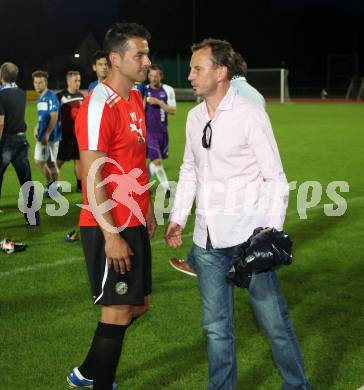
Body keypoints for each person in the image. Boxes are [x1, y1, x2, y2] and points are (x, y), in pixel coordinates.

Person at [165, 38, 311, 390]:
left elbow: (275, 178)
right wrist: (178, 217)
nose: (190, 75)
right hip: (206, 242)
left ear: (221, 72)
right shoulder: (195, 116)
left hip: (248, 240)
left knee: (274, 324)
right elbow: (189, 170)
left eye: (197, 68)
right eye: (191, 69)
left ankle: (297, 386)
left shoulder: (249, 114)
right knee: (216, 329)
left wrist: (269, 233)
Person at [68, 22, 156, 390]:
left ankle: (86, 372)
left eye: (147, 53)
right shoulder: (98, 103)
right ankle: (100, 383)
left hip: (133, 219)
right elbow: (92, 175)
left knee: (138, 306)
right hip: (110, 225)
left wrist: (147, 206)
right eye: (141, 54)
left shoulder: (135, 98)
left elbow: (137, 159)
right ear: (116, 59)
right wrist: (112, 235)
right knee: (118, 311)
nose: (147, 61)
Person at [0, 62, 39, 225]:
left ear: (1, 77)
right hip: (21, 140)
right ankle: (32, 219)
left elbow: (1, 122)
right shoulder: (21, 93)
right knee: (26, 181)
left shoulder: (1, 95)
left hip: (7, 141)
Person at [145, 64, 176, 196]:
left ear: (161, 76)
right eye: (151, 76)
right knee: (157, 161)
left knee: (155, 162)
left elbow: (173, 111)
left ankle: (143, 185)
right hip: (149, 132)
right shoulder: (144, 90)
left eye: (156, 76)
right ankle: (166, 188)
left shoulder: (168, 90)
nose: (153, 79)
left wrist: (159, 102)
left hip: (163, 132)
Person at [32, 70, 61, 197]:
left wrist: (47, 133)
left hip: (51, 137)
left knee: (49, 162)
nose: (38, 85)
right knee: (40, 161)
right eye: (36, 82)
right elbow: (42, 116)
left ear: (46, 83)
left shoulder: (51, 97)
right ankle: (52, 184)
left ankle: (54, 186)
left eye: (41, 82)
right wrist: (37, 127)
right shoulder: (40, 98)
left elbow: (54, 116)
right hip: (42, 135)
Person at [56, 71, 84, 192]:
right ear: (68, 81)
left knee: (78, 161)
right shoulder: (60, 96)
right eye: (75, 81)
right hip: (65, 135)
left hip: (78, 135)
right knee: (58, 161)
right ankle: (52, 184)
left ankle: (79, 186)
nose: (78, 83)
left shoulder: (82, 96)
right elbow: (52, 114)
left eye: (79, 81)